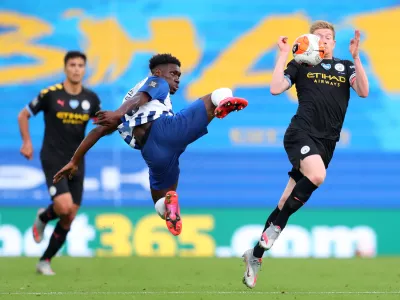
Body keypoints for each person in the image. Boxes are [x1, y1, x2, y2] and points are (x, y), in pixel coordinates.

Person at [53, 53, 247, 236]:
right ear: (158, 73)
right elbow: (141, 98)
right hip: (165, 131)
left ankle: (169, 208)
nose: (177, 79)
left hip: (152, 153)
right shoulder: (157, 83)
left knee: (162, 199)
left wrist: (74, 160)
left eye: (179, 75)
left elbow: (98, 131)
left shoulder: (130, 100)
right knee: (217, 94)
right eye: (174, 73)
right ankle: (223, 103)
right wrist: (119, 113)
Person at [242, 21, 369, 288]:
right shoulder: (302, 64)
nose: (323, 40)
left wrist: (357, 57)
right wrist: (282, 54)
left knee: (285, 201)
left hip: (327, 143)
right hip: (300, 133)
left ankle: (255, 255)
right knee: (318, 175)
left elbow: (363, 92)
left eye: (328, 37)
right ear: (311, 41)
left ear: (334, 43)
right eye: (319, 37)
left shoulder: (345, 67)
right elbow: (276, 88)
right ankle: (274, 232)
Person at [17, 51, 101, 275]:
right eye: (72, 65)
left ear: (84, 69)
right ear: (65, 68)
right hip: (53, 157)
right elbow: (23, 115)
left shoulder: (91, 99)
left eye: (80, 65)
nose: (76, 69)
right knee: (63, 206)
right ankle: (44, 217)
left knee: (69, 215)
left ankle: (44, 260)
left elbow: (101, 125)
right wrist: (27, 142)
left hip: (76, 161)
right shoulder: (50, 95)